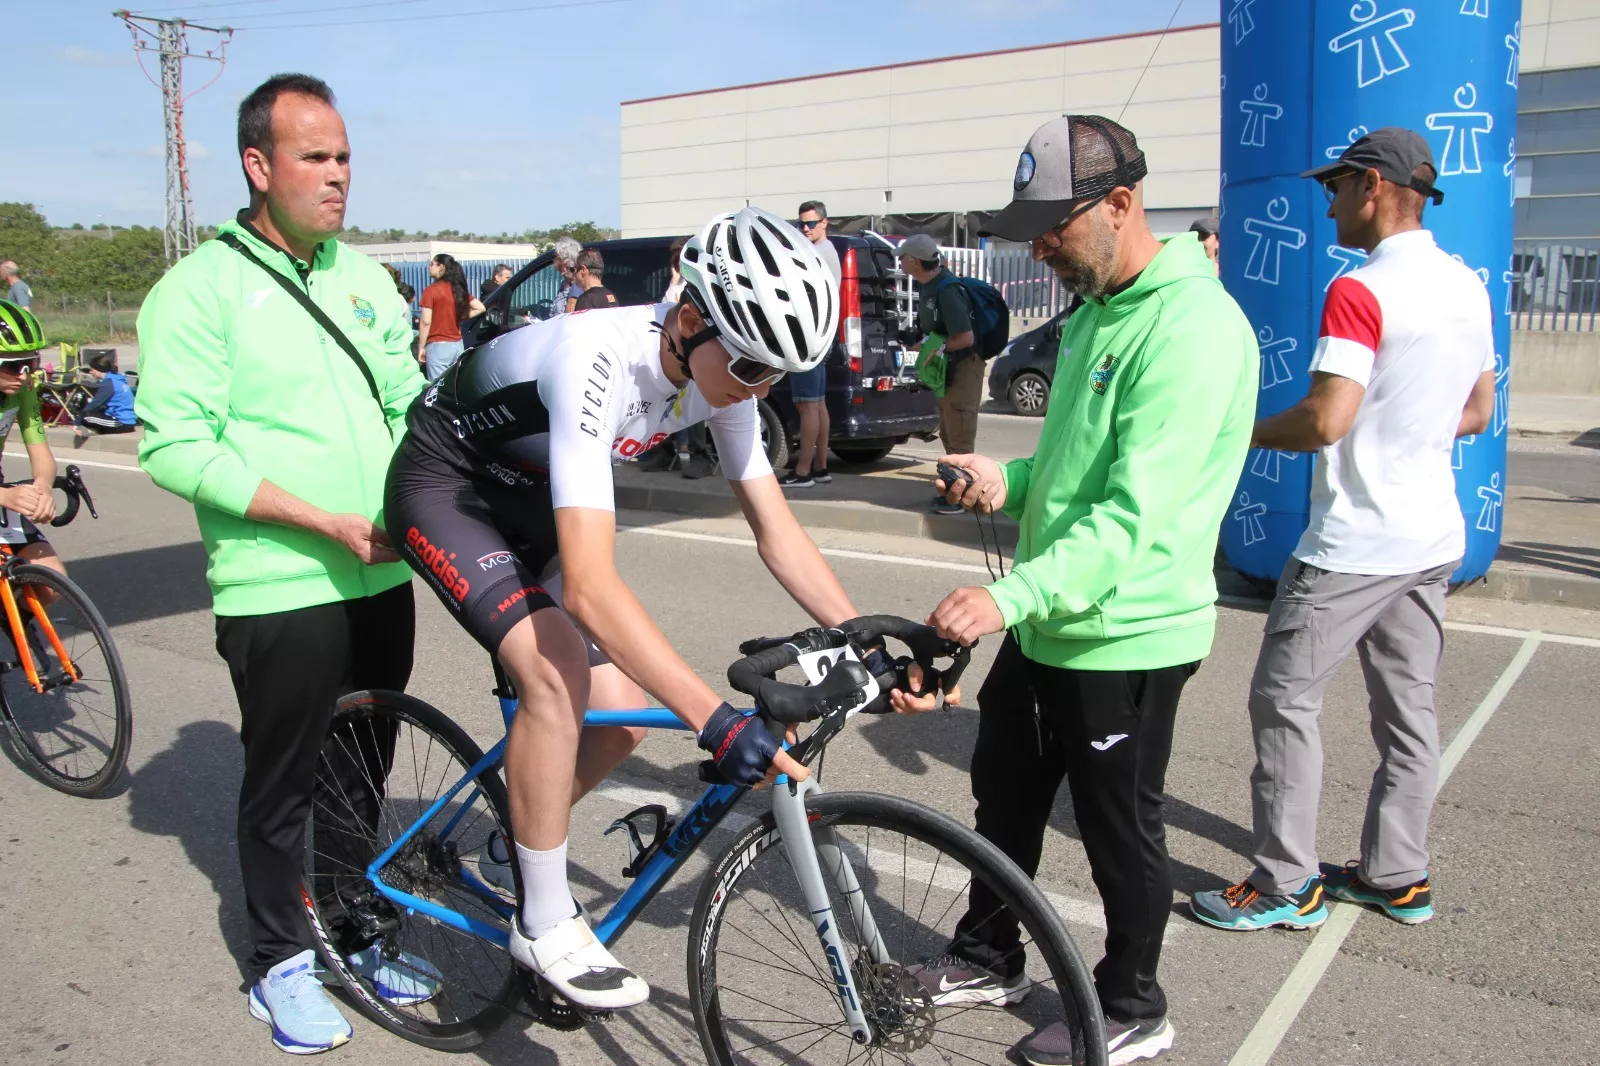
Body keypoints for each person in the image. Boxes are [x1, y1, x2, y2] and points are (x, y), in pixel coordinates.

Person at [384, 205, 938, 1011]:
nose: (760, 389)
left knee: (622, 721)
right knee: (557, 670)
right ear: (688, 320)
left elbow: (777, 532)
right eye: (751, 367)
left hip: (531, 502)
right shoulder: (597, 357)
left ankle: (516, 839)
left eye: (777, 374)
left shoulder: (724, 374)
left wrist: (864, 643)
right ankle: (543, 921)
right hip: (448, 488)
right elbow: (590, 588)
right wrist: (716, 722)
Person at [899, 115, 1259, 1066]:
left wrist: (1006, 599)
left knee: (1117, 829)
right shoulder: (1100, 309)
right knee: (1004, 799)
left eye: (1052, 228)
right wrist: (1007, 482)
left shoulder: (1191, 330)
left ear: (1122, 204)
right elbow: (1075, 473)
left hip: (1128, 633)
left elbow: (1134, 517)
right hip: (1053, 617)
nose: (1038, 249)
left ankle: (1133, 1005)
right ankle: (988, 955)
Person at [135, 73, 430, 1056]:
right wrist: (320, 520)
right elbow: (175, 446)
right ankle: (279, 962)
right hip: (278, 583)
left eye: (344, 156)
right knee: (285, 785)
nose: (338, 175)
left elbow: (405, 400)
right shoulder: (198, 289)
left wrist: (421, 500)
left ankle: (349, 930)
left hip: (382, 573)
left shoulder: (363, 278)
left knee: (363, 771)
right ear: (259, 166)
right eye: (315, 157)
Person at [1191, 128, 1495, 936]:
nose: (1328, 205)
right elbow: (1476, 411)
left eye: (1335, 187)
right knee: (1409, 713)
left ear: (1372, 186)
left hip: (1352, 545)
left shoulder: (1360, 289)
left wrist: (1234, 431)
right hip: (1431, 540)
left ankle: (1284, 883)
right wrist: (1407, 427)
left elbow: (1325, 420)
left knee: (1282, 702)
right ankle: (1399, 875)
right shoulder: (1468, 286)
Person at [899, 233, 978, 514]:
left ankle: (962, 496)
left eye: (903, 257)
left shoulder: (947, 289)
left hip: (964, 366)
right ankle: (954, 491)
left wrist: (931, 348)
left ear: (915, 261)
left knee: (959, 434)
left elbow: (965, 337)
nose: (899, 261)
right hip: (947, 368)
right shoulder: (930, 286)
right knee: (948, 431)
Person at [0, 299, 67, 577]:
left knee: (49, 580)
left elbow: (40, 452)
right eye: (13, 365)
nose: (23, 375)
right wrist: (5, 495)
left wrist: (43, 488)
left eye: (31, 363)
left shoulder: (23, 389)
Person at [780, 200, 841, 489]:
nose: (805, 228)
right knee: (817, 404)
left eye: (811, 223)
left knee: (807, 406)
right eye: (801, 223)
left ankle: (802, 471)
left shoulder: (817, 254)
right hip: (822, 335)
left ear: (824, 223)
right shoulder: (827, 251)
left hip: (809, 337)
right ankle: (820, 466)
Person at [417, 253, 484, 381]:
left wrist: (421, 347)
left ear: (441, 267)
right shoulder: (457, 289)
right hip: (457, 345)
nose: (429, 267)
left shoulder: (431, 291)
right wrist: (459, 316)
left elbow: (425, 321)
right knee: (454, 384)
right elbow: (480, 307)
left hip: (438, 346)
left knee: (437, 386)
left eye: (432, 264)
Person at [73, 350, 138, 436]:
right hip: (129, 421)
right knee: (96, 411)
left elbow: (94, 404)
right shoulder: (118, 379)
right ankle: (94, 430)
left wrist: (76, 423)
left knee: (86, 415)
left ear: (98, 370)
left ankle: (88, 430)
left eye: (91, 369)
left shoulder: (108, 383)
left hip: (122, 423)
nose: (90, 372)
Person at [551, 236, 583, 315]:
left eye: (555, 257)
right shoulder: (565, 283)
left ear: (564, 261)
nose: (553, 260)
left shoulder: (577, 286)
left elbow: (570, 317)